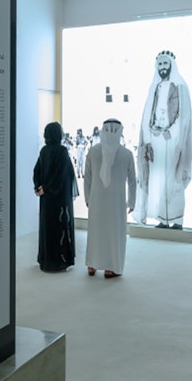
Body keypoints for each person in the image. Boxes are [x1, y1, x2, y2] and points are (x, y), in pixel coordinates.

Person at [134, 50, 192, 229]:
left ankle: (176, 220)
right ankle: (162, 219)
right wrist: (150, 133)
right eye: (159, 64)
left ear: (171, 65)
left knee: (173, 180)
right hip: (156, 140)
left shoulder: (180, 86)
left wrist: (171, 132)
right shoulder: (155, 87)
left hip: (172, 141)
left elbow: (184, 116)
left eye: (165, 64)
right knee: (157, 181)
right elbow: (147, 115)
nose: (162, 68)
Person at [83, 119, 137, 278]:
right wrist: (132, 201)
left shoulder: (93, 151)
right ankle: (111, 268)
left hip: (97, 200)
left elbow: (88, 178)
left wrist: (88, 198)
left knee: (96, 231)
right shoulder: (126, 154)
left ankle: (92, 265)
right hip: (117, 202)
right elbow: (132, 181)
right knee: (114, 234)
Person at [33, 122, 78, 272]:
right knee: (59, 228)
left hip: (46, 199)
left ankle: (47, 260)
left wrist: (39, 187)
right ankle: (59, 261)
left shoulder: (44, 151)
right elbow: (61, 175)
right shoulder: (62, 151)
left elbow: (37, 171)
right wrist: (46, 188)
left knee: (48, 228)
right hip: (59, 199)